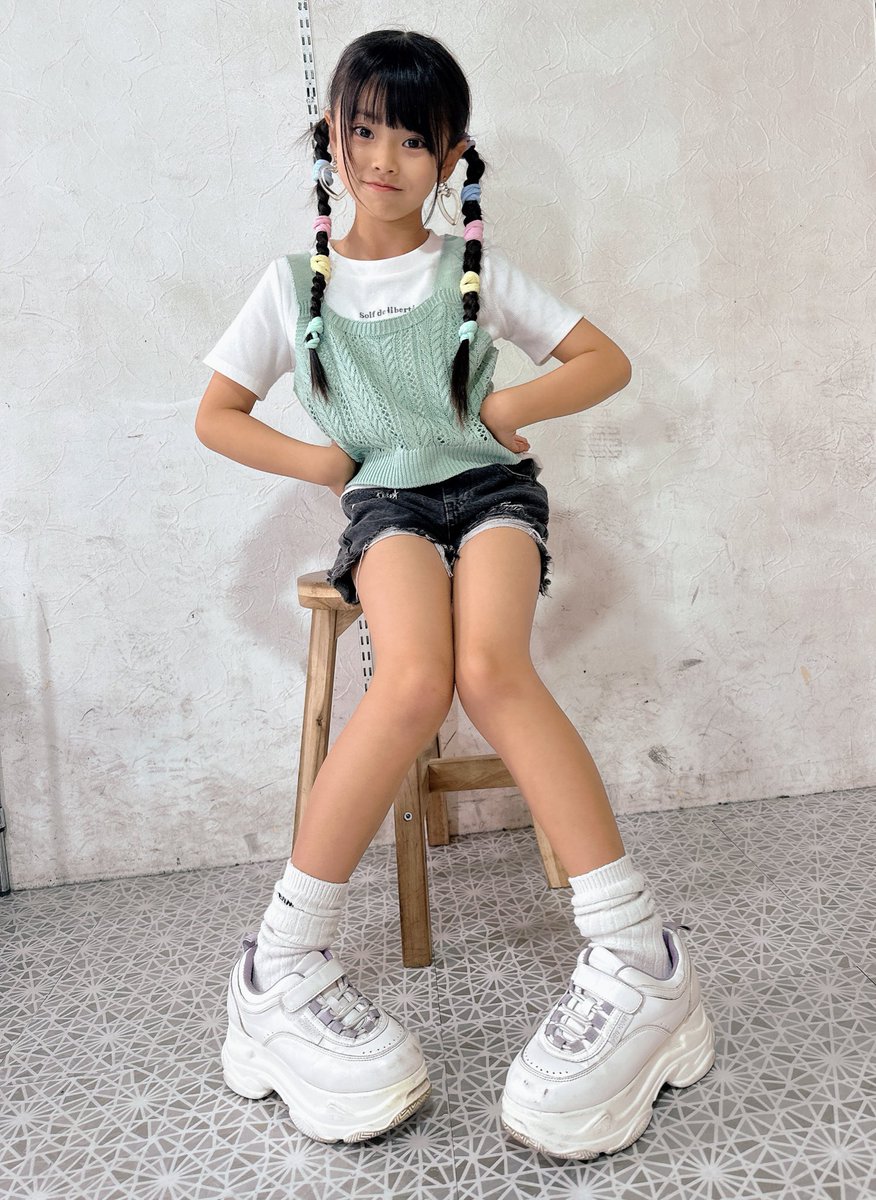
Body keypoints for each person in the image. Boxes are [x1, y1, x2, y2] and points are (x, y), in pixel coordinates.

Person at [195, 29, 715, 1159]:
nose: (383, 158)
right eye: (364, 129)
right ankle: (280, 964)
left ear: (450, 156)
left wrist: (509, 410)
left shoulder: (469, 271)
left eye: (412, 139)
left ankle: (636, 951)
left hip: (490, 492)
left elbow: (605, 359)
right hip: (384, 502)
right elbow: (217, 415)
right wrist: (323, 463)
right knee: (412, 682)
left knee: (490, 668)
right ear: (331, 135)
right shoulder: (292, 287)